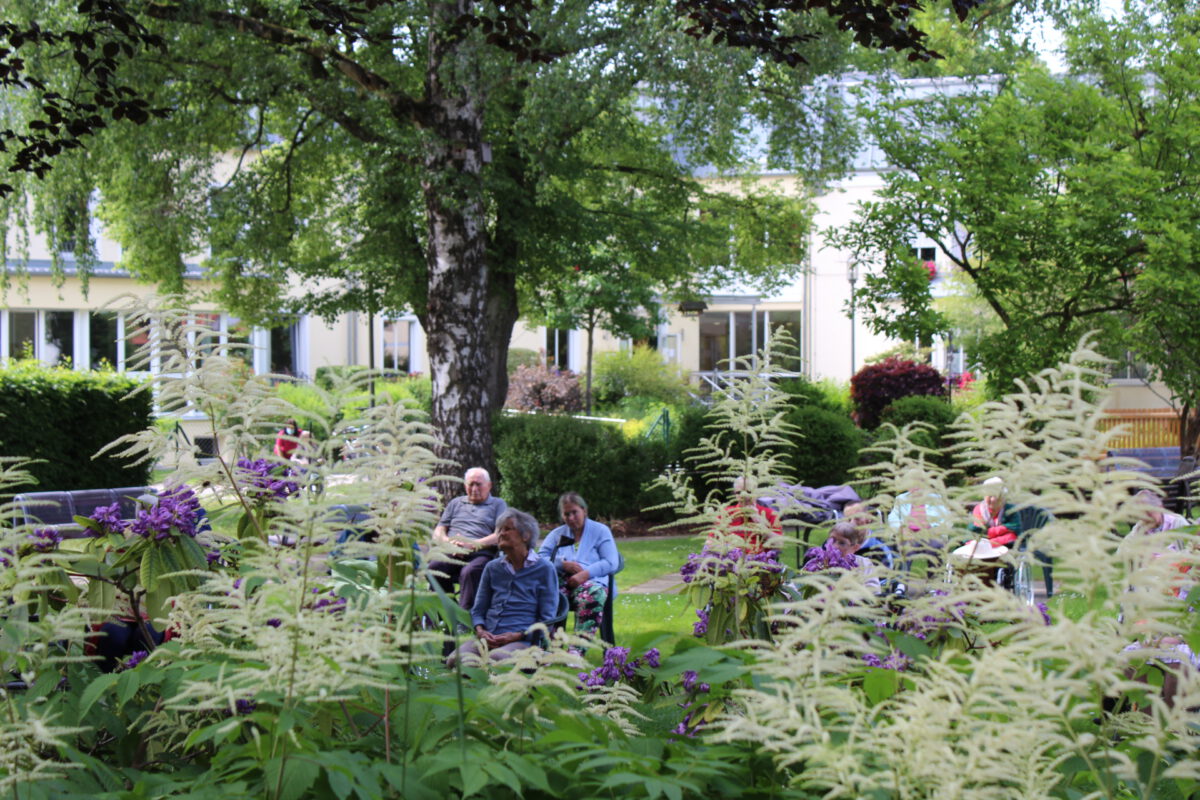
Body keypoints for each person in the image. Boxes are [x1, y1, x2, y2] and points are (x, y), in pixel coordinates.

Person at [447, 509, 559, 666]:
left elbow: (547, 619)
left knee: (495, 661)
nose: (501, 533)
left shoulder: (544, 569)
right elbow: (478, 609)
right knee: (455, 660)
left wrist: (517, 636)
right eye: (499, 529)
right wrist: (480, 630)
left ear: (525, 535)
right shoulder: (492, 568)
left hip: (523, 641)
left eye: (507, 529)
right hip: (489, 637)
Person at [538, 492, 620, 639]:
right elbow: (540, 558)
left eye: (575, 512)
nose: (571, 518)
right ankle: (548, 648)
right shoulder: (557, 534)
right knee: (547, 594)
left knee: (592, 594)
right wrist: (562, 564)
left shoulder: (600, 531)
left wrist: (585, 574)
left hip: (593, 583)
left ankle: (577, 650)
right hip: (563, 583)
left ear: (584, 510)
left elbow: (611, 562)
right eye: (566, 514)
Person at [429, 468, 509, 609]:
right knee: (434, 568)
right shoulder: (455, 503)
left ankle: (464, 617)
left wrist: (471, 545)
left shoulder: (498, 504)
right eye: (470, 484)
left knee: (469, 572)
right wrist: (450, 543)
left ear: (489, 485)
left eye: (479, 484)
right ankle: (446, 610)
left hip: (481, 552)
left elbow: (500, 534)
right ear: (465, 486)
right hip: (451, 551)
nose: (474, 488)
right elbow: (439, 530)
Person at [712, 476, 783, 554]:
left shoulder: (770, 514)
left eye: (748, 492)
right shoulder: (725, 514)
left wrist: (761, 525)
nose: (744, 496)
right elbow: (710, 543)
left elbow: (779, 545)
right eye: (739, 492)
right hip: (730, 561)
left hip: (759, 562)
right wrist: (730, 551)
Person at [823, 521, 882, 592]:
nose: (835, 546)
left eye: (842, 543)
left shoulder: (864, 564)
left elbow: (874, 590)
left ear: (855, 548)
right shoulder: (821, 563)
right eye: (832, 540)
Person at [968, 476, 1022, 547]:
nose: (993, 499)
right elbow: (979, 532)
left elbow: (1015, 530)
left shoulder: (1011, 509)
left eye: (996, 496)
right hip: (983, 545)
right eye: (990, 496)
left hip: (1006, 546)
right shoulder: (979, 509)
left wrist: (993, 540)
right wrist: (1003, 529)